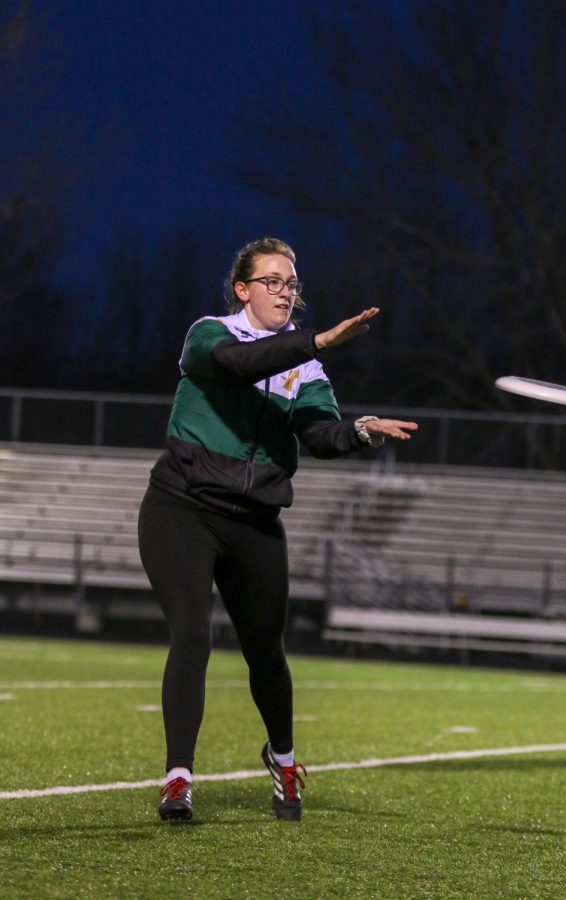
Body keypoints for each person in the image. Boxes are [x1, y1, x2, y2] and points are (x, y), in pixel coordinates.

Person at [138, 237, 418, 823]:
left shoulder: (305, 367)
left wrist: (361, 430)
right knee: (192, 634)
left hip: (256, 521)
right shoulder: (209, 334)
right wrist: (314, 340)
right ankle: (178, 777)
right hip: (182, 507)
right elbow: (239, 367)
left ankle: (284, 761)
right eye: (272, 281)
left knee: (267, 651)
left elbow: (319, 435)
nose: (285, 292)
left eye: (291, 284)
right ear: (242, 289)